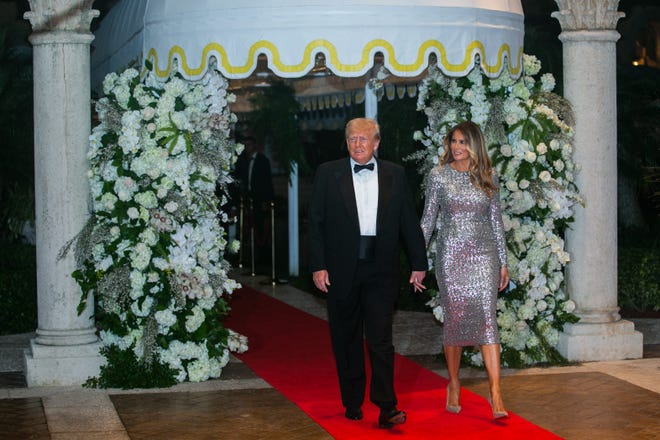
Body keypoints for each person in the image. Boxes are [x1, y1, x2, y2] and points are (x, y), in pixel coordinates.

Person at [307, 118, 427, 429]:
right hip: (340, 270)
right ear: (346, 143)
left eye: (364, 139)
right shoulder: (327, 173)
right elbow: (315, 224)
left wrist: (419, 263)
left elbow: (408, 222)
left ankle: (387, 406)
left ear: (376, 143)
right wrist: (318, 265)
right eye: (352, 139)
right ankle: (352, 400)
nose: (358, 144)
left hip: (381, 269)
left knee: (380, 340)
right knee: (346, 339)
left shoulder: (395, 174)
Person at [419, 121, 510, 419]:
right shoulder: (439, 176)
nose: (456, 147)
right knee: (455, 323)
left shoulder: (488, 175)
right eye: (453, 141)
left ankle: (496, 393)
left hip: (484, 257)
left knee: (487, 321)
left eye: (462, 142)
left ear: (474, 144)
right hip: (451, 258)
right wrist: (419, 261)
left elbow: (496, 222)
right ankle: (454, 383)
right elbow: (428, 221)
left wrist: (503, 262)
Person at [233, 136, 274, 267]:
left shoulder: (263, 161)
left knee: (260, 229)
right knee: (245, 229)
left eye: (249, 145)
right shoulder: (243, 161)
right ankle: (245, 258)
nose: (247, 148)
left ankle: (262, 259)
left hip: (259, 200)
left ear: (255, 145)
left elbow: (267, 182)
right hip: (246, 200)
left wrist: (266, 201)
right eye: (245, 145)